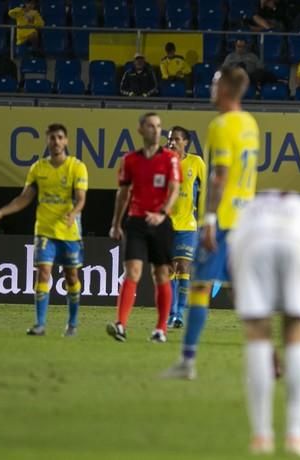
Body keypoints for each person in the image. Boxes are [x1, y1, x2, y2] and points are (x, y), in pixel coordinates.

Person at [163, 66, 260, 378]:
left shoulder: (221, 126)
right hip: (247, 218)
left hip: (225, 220)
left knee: (200, 286)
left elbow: (219, 176)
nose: (211, 87)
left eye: (216, 83)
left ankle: (187, 361)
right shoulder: (250, 124)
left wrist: (208, 219)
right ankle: (269, 357)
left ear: (226, 90)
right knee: (245, 291)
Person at [227, 191, 300, 456]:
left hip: (253, 244)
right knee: (295, 329)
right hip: (297, 243)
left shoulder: (250, 210)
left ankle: (262, 436)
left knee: (257, 335)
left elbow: (234, 275)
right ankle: (297, 435)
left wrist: (266, 349)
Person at [0, 124, 87, 336]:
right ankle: (40, 324)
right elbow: (24, 198)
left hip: (69, 232)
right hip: (44, 230)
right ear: (47, 141)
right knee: (43, 272)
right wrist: (0, 213)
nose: (56, 141)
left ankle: (72, 324)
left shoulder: (76, 167)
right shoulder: (38, 168)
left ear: (66, 141)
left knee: (71, 277)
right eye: (52, 138)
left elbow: (81, 199)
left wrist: (73, 213)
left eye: (60, 137)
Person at [107, 113, 181, 343]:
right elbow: (123, 194)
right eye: (151, 126)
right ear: (140, 129)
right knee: (133, 272)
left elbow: (174, 190)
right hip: (137, 221)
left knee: (160, 274)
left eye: (159, 126)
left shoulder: (170, 159)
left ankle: (161, 329)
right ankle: (120, 325)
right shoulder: (129, 160)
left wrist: (162, 214)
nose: (156, 130)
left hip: (160, 223)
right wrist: (116, 223)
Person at [166, 126, 207, 329]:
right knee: (169, 270)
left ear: (185, 142)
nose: (172, 142)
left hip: (187, 225)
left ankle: (179, 314)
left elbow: (206, 190)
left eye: (176, 139)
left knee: (183, 267)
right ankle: (171, 312)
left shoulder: (196, 162)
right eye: (170, 139)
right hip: (166, 224)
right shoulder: (163, 162)